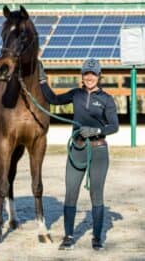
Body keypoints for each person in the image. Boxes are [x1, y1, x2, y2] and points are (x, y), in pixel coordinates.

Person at [38, 58, 119, 251]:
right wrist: (42, 81)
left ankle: (97, 237)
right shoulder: (76, 94)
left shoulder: (107, 99)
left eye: (93, 74)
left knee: (96, 195)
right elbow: (53, 100)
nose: (89, 77)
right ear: (82, 76)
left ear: (99, 76)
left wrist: (97, 131)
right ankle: (68, 236)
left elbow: (114, 126)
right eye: (86, 74)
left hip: (98, 151)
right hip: (77, 150)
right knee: (71, 194)